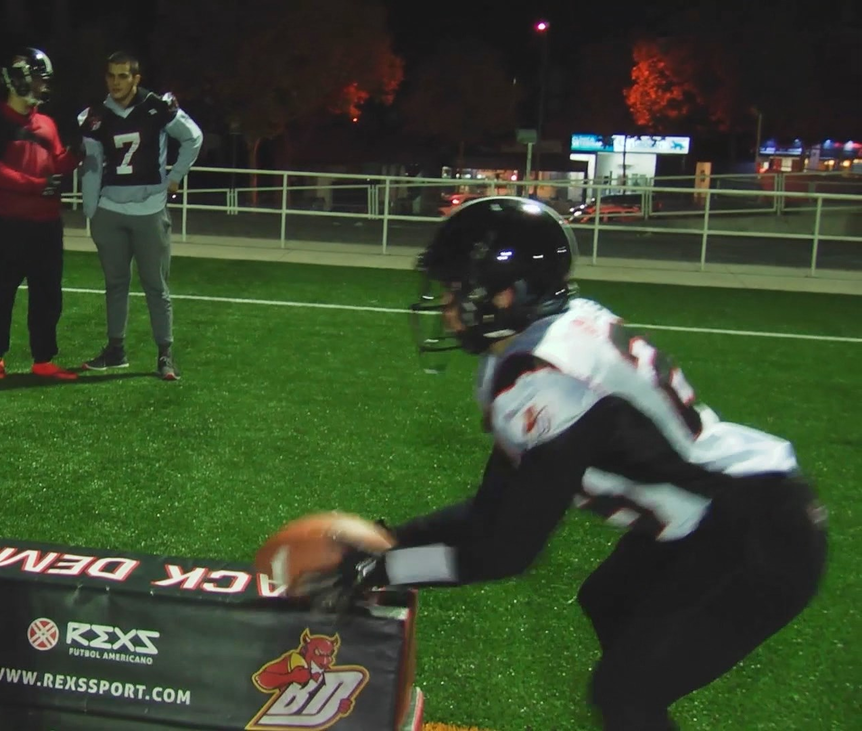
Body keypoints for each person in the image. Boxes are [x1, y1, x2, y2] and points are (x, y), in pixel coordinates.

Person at [291, 197, 828, 730]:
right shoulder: (540, 341)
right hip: (711, 516)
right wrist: (390, 543)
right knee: (610, 600)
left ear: (504, 294)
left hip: (758, 528)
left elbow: (507, 551)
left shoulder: (547, 381)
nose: (446, 304)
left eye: (457, 289)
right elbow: (491, 511)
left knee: (625, 691)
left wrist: (382, 569)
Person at [77, 51, 203, 380]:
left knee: (155, 286)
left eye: (123, 76)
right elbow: (90, 167)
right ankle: (115, 350)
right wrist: (91, 212)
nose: (116, 82)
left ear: (136, 79)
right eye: (111, 76)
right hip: (110, 211)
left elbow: (193, 137)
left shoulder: (157, 108)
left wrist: (176, 176)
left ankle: (165, 354)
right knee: (115, 284)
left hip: (149, 210)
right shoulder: (95, 115)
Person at [0, 47, 80, 381]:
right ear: (18, 79)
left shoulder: (47, 123)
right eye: (36, 79)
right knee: (3, 291)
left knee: (48, 293)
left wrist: (79, 151)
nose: (41, 86)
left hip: (47, 225)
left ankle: (44, 358)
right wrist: (37, 185)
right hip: (10, 224)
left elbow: (59, 163)